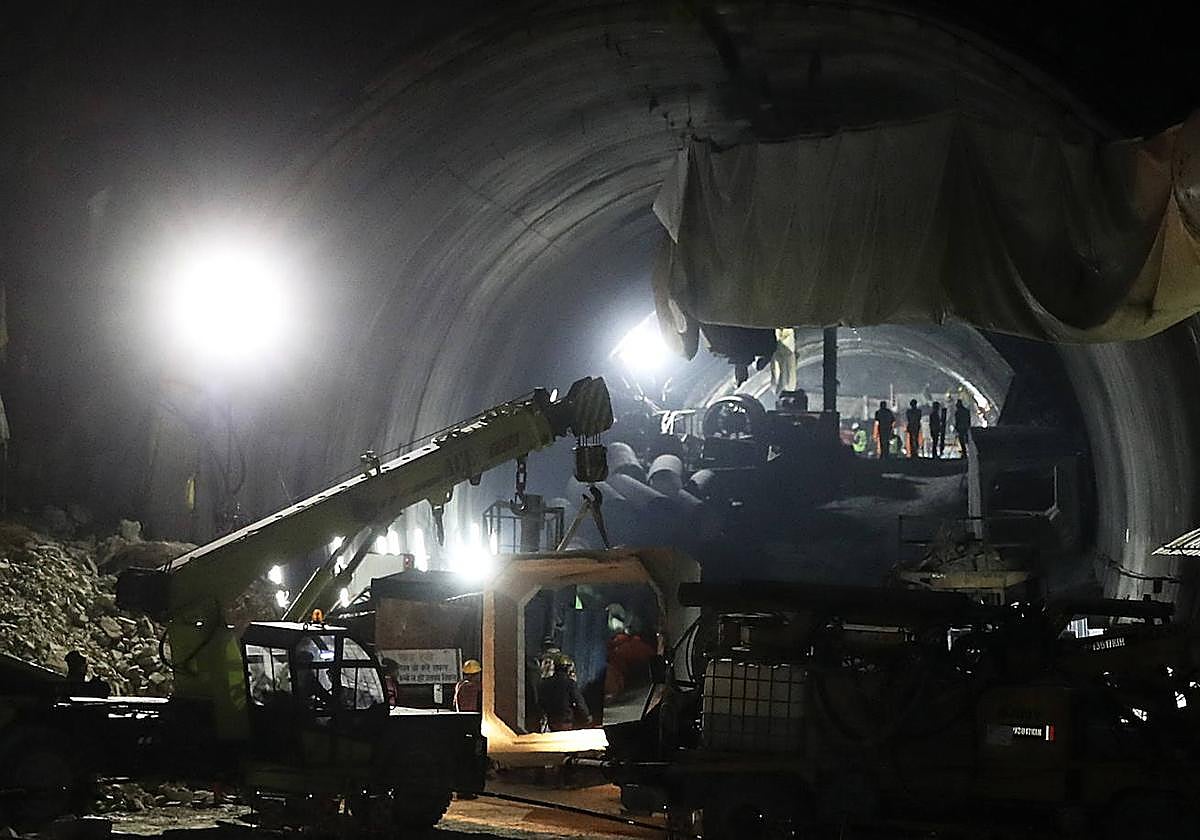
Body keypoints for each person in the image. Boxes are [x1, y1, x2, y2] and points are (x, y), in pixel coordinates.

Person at [539, 658, 591, 731]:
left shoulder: (545, 683)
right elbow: (579, 702)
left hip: (552, 721)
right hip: (566, 721)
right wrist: (586, 717)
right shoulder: (570, 683)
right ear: (567, 669)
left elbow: (541, 702)